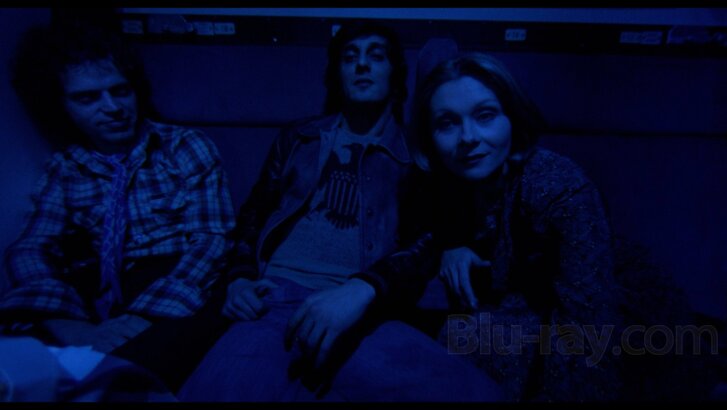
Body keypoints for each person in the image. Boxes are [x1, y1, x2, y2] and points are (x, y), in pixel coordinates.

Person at [178, 22, 503, 402]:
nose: (362, 65)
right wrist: (238, 279)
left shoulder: (416, 152)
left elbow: (425, 241)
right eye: (350, 58)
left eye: (375, 56)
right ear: (337, 74)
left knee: (475, 394)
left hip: (360, 306)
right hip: (274, 299)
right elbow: (254, 213)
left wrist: (363, 289)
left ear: (395, 74)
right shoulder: (299, 138)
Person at [0, 21, 236, 392]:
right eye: (87, 98)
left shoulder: (184, 146)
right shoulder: (66, 167)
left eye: (120, 91)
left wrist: (143, 316)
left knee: (126, 373)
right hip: (104, 286)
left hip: (179, 279)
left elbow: (211, 241)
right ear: (61, 106)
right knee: (20, 358)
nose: (113, 108)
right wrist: (66, 322)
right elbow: (32, 247)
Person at [395, 51, 629, 401]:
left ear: (512, 118)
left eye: (485, 116)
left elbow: (589, 327)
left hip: (595, 317)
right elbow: (421, 237)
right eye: (447, 123)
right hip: (513, 315)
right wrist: (450, 247)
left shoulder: (557, 186)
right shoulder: (444, 181)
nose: (468, 137)